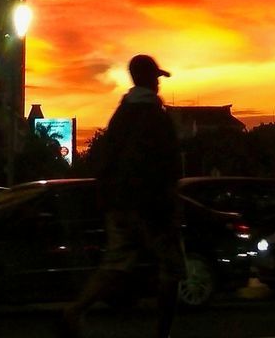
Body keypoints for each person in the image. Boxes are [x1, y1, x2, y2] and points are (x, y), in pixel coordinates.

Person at [61, 54, 185, 338]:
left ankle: (76, 310)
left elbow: (106, 160)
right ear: (150, 80)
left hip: (120, 204)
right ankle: (162, 333)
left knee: (116, 264)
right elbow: (169, 166)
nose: (158, 83)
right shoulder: (156, 117)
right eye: (156, 78)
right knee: (172, 269)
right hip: (153, 207)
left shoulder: (121, 115)